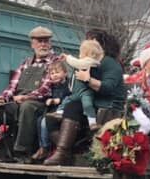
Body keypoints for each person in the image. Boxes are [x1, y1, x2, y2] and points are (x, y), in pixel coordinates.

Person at [0, 26, 64, 161]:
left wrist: (26, 97)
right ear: (32, 44)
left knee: (27, 107)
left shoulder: (55, 62)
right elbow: (13, 85)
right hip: (18, 102)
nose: (43, 44)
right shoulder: (26, 63)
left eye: (45, 41)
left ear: (50, 43)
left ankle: (22, 152)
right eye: (39, 41)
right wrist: (4, 97)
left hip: (42, 105)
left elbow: (45, 88)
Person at [44, 29, 126, 166]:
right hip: (90, 102)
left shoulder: (110, 63)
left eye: (91, 41)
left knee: (73, 107)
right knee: (50, 118)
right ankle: (70, 152)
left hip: (107, 105)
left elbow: (108, 88)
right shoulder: (88, 62)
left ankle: (62, 152)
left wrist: (88, 80)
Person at [31, 60, 71, 162]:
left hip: (63, 111)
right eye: (52, 73)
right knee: (39, 120)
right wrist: (48, 100)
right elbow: (46, 96)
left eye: (57, 72)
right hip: (52, 110)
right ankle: (42, 147)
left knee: (45, 122)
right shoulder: (51, 86)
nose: (54, 75)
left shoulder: (68, 84)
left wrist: (57, 100)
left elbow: (69, 96)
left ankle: (45, 147)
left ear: (65, 73)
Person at [64, 39, 106, 127]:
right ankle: (59, 112)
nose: (79, 55)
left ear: (87, 54)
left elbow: (76, 63)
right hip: (77, 90)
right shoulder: (87, 62)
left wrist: (67, 57)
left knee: (87, 105)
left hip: (85, 91)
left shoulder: (89, 62)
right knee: (67, 100)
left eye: (81, 52)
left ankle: (92, 121)